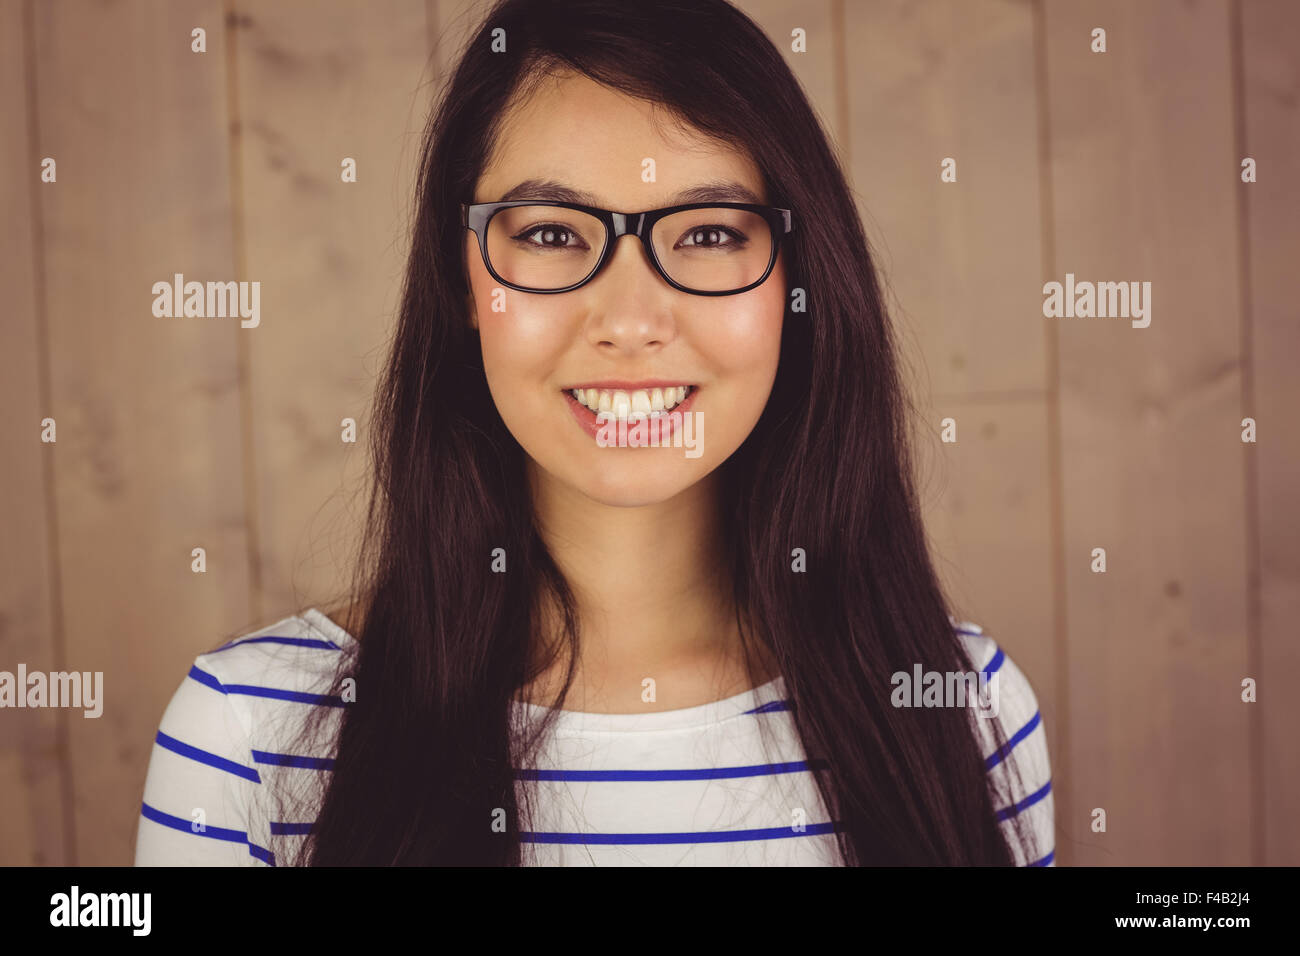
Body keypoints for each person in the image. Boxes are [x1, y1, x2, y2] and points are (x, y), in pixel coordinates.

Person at [135, 0, 1054, 867]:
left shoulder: (966, 709)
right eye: (548, 235)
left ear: (798, 282)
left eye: (705, 234)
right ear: (460, 282)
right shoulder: (249, 735)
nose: (628, 319)